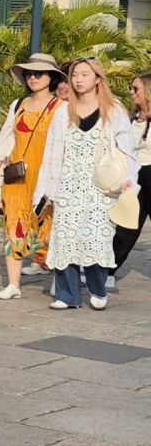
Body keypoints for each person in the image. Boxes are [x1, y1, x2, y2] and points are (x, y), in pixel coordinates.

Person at [40, 58, 138, 310]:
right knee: (65, 238)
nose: (78, 80)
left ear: (97, 78)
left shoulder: (114, 110)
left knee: (97, 237)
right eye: (74, 75)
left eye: (84, 74)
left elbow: (126, 150)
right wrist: (47, 189)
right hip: (68, 186)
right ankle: (67, 295)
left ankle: (97, 288)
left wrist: (130, 183)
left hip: (101, 187)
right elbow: (52, 153)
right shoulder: (63, 112)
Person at [0, 54, 64, 300]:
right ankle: (13, 284)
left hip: (48, 176)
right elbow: (7, 137)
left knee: (48, 227)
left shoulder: (61, 108)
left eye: (38, 73)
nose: (33, 78)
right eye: (29, 74)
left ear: (50, 77)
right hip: (17, 176)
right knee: (13, 225)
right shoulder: (18, 104)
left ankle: (55, 277)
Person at [111, 72, 151, 280]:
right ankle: (108, 271)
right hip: (135, 175)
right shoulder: (132, 118)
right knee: (127, 224)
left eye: (136, 89)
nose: (131, 92)